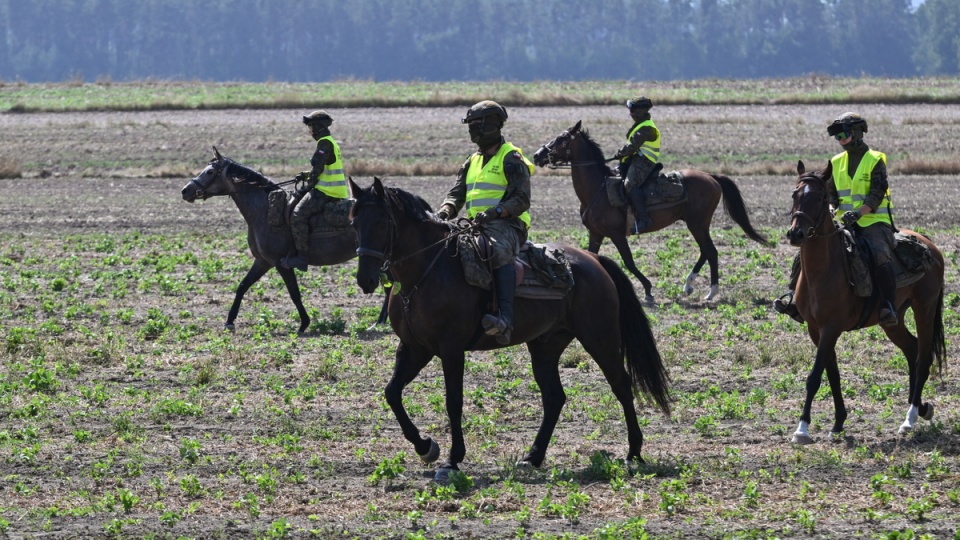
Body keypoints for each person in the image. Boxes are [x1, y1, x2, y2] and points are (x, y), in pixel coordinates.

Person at [774, 112, 898, 326]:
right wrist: (832, 209)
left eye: (844, 134)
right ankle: (794, 300)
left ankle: (888, 306)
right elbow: (831, 196)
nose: (840, 140)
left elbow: (876, 195)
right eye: (838, 136)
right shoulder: (835, 162)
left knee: (878, 254)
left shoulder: (875, 160)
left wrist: (858, 213)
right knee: (803, 254)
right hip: (843, 224)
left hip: (873, 222)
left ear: (858, 133)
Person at [435, 100, 533, 345]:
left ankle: (506, 319)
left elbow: (521, 199)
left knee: (497, 251)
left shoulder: (511, 157)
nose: (472, 130)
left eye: (476, 124)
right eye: (470, 125)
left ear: (493, 125)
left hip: (508, 225)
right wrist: (445, 211)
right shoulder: (471, 161)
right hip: (473, 223)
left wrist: (497, 212)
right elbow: (456, 194)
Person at [281, 110, 349, 271]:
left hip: (326, 192)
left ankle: (302, 258)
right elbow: (322, 168)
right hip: (336, 191)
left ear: (318, 127)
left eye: (311, 127)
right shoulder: (331, 142)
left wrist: (305, 189)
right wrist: (305, 175)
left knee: (298, 215)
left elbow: (317, 172)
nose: (310, 131)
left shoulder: (324, 144)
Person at [613, 97, 661, 233]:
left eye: (633, 110)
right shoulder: (640, 124)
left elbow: (632, 147)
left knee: (630, 184)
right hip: (636, 160)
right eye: (630, 110)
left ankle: (644, 220)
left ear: (642, 110)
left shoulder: (647, 128)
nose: (630, 113)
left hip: (644, 162)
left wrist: (619, 153)